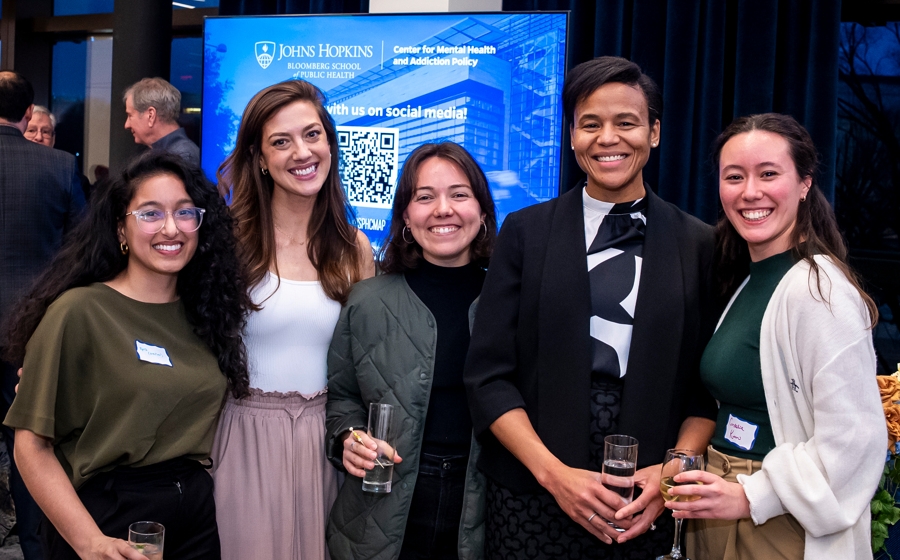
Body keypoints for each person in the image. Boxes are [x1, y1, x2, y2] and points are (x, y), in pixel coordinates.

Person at [463, 56, 720, 559]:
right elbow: (488, 376)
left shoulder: (700, 244)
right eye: (590, 124)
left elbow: (705, 389)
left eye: (626, 122)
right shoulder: (525, 232)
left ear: (655, 133)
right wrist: (553, 475)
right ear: (573, 137)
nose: (608, 138)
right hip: (532, 494)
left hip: (645, 500)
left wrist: (671, 473)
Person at [2, 151, 250, 560]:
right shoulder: (79, 311)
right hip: (109, 517)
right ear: (121, 227)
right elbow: (31, 447)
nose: (171, 228)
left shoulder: (208, 314)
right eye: (150, 214)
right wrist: (88, 541)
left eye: (185, 212)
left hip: (195, 516)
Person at [666, 113, 885, 560]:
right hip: (717, 504)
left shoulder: (819, 290)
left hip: (779, 521)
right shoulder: (746, 280)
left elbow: (855, 441)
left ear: (805, 183)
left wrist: (751, 497)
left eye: (769, 174)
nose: (750, 192)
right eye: (734, 176)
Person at [211, 79, 375, 560]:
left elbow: (366, 363)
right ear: (260, 158)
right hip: (243, 439)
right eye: (281, 141)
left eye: (312, 134)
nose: (302, 152)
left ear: (329, 142)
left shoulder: (354, 249)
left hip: (330, 444)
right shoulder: (228, 244)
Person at [326, 142, 497, 560]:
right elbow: (342, 397)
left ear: (483, 211)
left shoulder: (512, 301)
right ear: (406, 215)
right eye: (424, 197)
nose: (443, 209)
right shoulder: (366, 301)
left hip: (484, 507)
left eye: (459, 194)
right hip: (378, 509)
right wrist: (348, 437)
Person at [0, 71, 86, 560]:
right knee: (32, 449)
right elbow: (82, 253)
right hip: (31, 336)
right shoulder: (57, 167)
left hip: (29, 335)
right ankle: (36, 551)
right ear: (28, 114)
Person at [124, 77, 200, 166]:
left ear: (151, 115)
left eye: (130, 115)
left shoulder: (181, 157)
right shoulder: (173, 154)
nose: (126, 125)